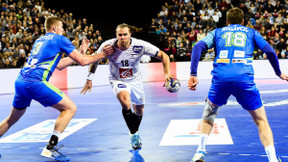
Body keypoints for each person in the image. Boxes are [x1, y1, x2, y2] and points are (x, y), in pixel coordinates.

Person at [0, 16, 113, 161]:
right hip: (35, 82)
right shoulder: (60, 39)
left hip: (21, 81)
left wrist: (80, 51)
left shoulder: (40, 40)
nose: (63, 31)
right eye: (62, 28)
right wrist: (104, 54)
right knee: (70, 108)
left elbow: (59, 65)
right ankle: (50, 149)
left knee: (11, 119)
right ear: (55, 28)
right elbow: (83, 62)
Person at [188, 8, 288, 162]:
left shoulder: (217, 32)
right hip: (244, 79)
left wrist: (193, 74)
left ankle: (199, 152)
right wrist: (278, 72)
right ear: (243, 22)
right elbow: (270, 52)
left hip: (221, 79)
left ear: (227, 21)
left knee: (208, 115)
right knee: (261, 121)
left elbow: (197, 47)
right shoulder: (251, 32)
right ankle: (273, 159)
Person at [80, 23, 173, 150]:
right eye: (119, 35)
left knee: (139, 111)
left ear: (130, 35)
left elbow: (164, 55)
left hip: (135, 80)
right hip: (117, 79)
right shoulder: (107, 45)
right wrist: (89, 79)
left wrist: (167, 73)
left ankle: (133, 131)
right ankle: (134, 135)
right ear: (116, 35)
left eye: (125, 34)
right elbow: (95, 59)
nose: (122, 37)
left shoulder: (140, 45)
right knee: (125, 102)